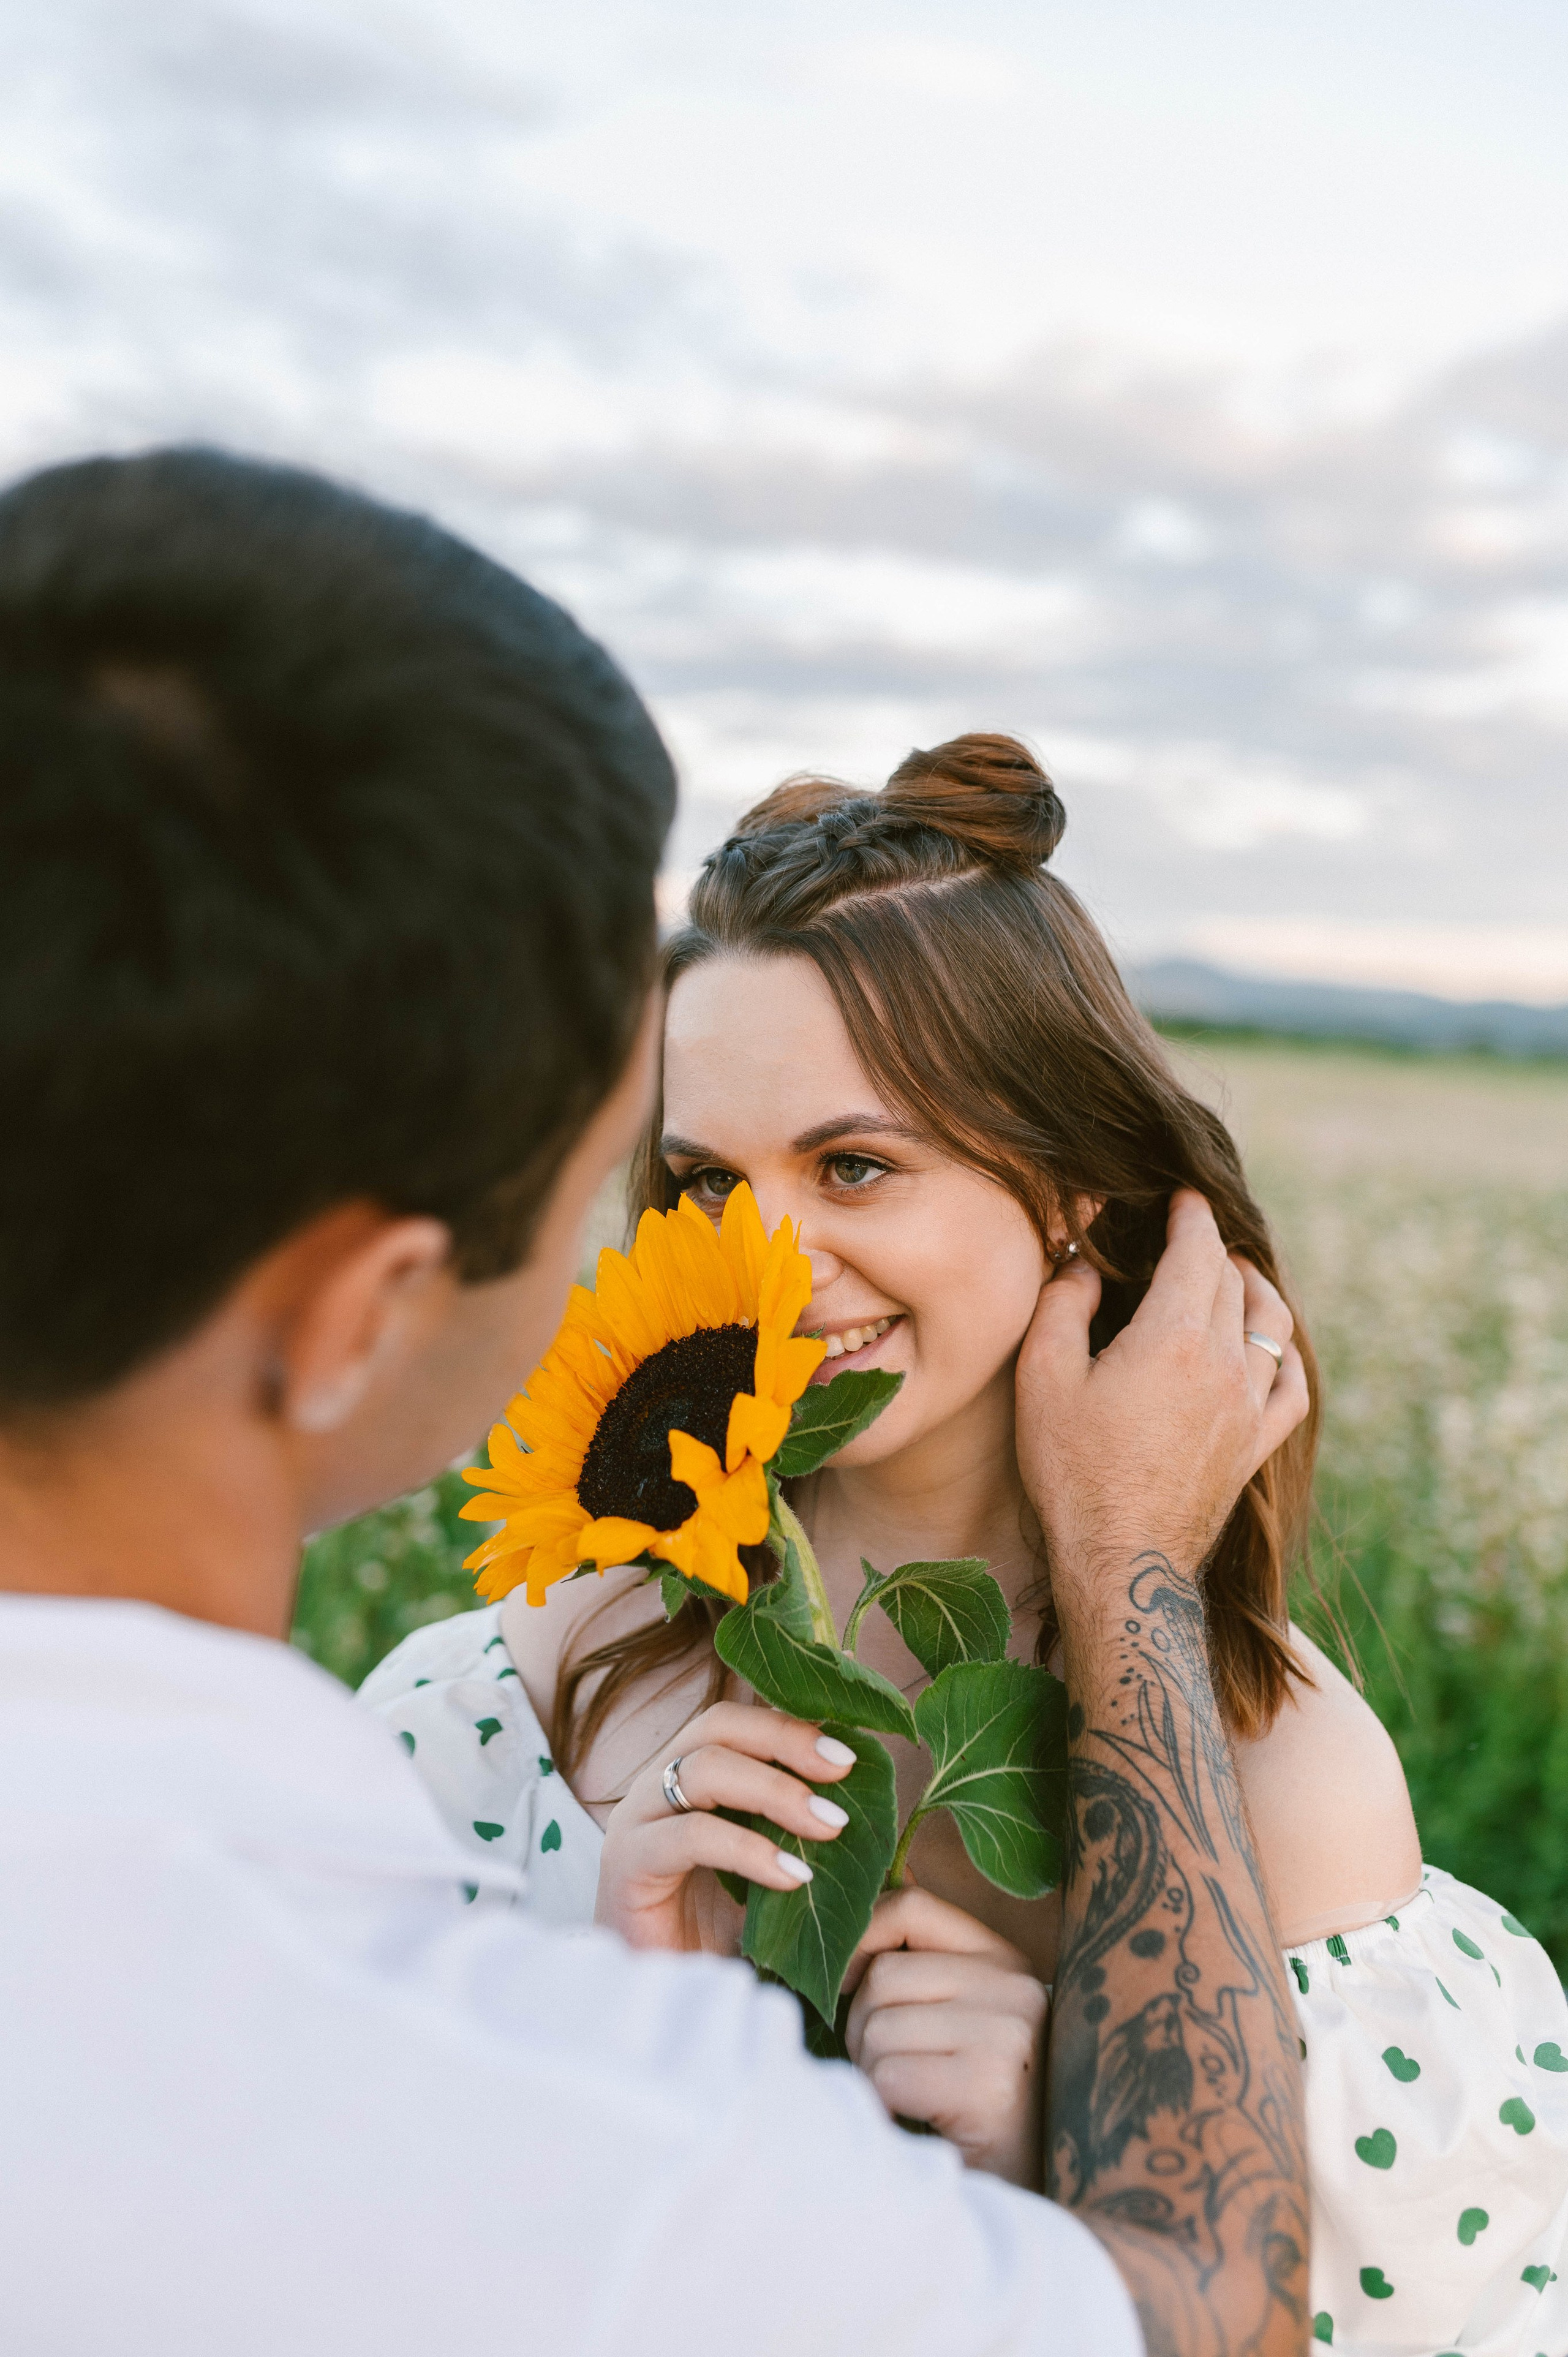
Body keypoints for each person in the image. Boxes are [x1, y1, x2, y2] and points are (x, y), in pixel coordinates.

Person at [0, 449, 1306, 2357]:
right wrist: (1132, 1567)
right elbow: (1208, 2314)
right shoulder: (560, 2096)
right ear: (359, 1308)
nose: (747, 1277)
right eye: (669, 1182)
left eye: (856, 1167)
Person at [374, 735, 1568, 2357]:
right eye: (705, 1180)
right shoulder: (513, 1700)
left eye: (857, 1165)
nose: (767, 1259)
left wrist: (1058, 2195)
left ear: (1077, 1187)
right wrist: (621, 2022)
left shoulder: (1278, 1774)